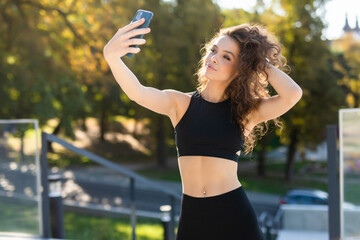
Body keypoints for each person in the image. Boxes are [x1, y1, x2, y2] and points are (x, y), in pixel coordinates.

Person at [103, 18, 302, 240]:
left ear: (239, 69)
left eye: (226, 57)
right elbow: (137, 92)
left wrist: (259, 62)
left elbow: (293, 94)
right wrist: (112, 58)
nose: (214, 58)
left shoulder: (246, 113)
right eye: (213, 50)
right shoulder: (180, 103)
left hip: (234, 215)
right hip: (193, 216)